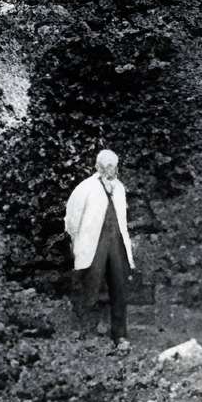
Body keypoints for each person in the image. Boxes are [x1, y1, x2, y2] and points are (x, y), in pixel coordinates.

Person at [65, 148, 135, 349]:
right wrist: (78, 242)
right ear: (97, 166)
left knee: (119, 287)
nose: (110, 170)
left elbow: (122, 218)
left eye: (113, 166)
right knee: (91, 285)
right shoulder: (85, 188)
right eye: (106, 166)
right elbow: (72, 219)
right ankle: (86, 334)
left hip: (117, 243)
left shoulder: (120, 188)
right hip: (93, 243)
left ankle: (120, 335)